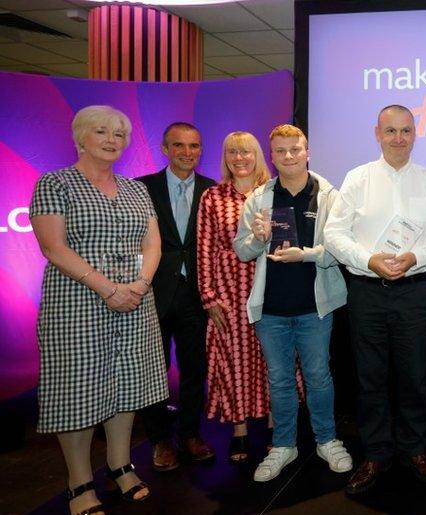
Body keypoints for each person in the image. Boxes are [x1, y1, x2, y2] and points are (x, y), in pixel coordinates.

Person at [29, 105, 167, 515]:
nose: (112, 139)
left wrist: (140, 287)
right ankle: (80, 482)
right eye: (102, 131)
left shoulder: (135, 189)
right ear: (80, 137)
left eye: (119, 134)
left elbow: (152, 245)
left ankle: (121, 464)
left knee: (129, 384)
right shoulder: (54, 183)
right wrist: (106, 288)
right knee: (78, 391)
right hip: (78, 303)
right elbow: (53, 247)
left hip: (135, 300)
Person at [324, 105, 426, 493]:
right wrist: (369, 260)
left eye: (406, 131)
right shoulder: (357, 179)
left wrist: (415, 256)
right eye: (391, 131)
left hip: (415, 294)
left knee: (414, 378)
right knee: (370, 379)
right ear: (377, 133)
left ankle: (414, 448)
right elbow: (334, 234)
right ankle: (376, 454)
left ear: (415, 134)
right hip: (367, 293)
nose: (399, 138)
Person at [234, 124, 352, 482]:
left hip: (314, 306)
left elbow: (340, 251)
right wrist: (257, 238)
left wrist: (308, 255)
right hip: (271, 309)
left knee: (318, 377)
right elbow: (242, 251)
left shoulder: (330, 196)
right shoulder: (259, 198)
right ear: (272, 156)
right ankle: (283, 444)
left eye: (295, 149)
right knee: (280, 380)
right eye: (281, 151)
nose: (288, 156)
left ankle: (327, 440)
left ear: (307, 151)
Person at [138, 122, 216, 471]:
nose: (188, 152)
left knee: (194, 368)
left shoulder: (212, 190)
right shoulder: (141, 188)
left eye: (195, 146)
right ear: (165, 148)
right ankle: (159, 440)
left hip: (197, 294)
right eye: (179, 145)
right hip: (153, 290)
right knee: (152, 370)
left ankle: (189, 434)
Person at [197, 131, 272, 463]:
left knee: (273, 358)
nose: (239, 158)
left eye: (246, 152)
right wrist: (209, 297)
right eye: (231, 152)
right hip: (228, 289)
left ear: (257, 155)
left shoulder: (274, 192)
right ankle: (239, 431)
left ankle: (274, 427)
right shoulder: (213, 197)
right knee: (234, 361)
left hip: (271, 285)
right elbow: (204, 250)